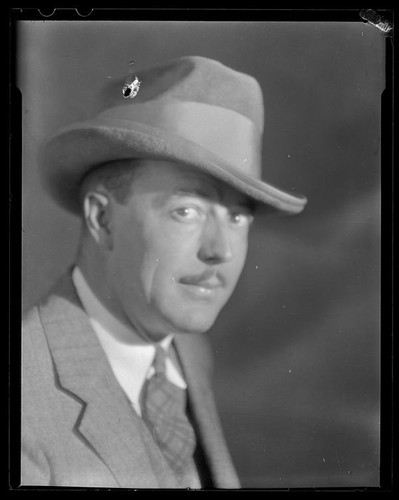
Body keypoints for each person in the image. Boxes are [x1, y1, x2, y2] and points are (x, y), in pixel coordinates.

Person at [21, 55, 307, 488]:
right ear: (102, 219)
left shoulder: (188, 352)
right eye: (186, 210)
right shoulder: (23, 403)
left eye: (238, 218)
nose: (221, 251)